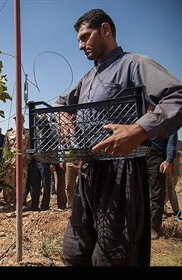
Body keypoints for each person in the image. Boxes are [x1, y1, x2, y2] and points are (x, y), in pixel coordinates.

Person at [54, 9, 182, 266]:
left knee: (112, 254)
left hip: (121, 172)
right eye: (78, 40)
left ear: (105, 30)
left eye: (85, 37)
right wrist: (63, 118)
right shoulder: (88, 77)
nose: (80, 46)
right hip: (89, 170)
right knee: (74, 250)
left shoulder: (134, 64)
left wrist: (139, 130)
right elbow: (60, 102)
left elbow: (176, 97)